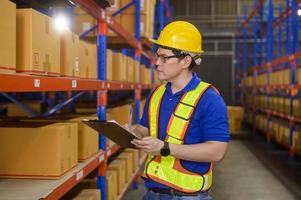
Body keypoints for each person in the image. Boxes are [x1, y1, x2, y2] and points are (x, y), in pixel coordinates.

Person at [131, 21, 230, 200]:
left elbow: (217, 151)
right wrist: (131, 132)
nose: (157, 63)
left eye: (164, 58)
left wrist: (166, 148)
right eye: (157, 56)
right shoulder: (157, 94)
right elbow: (147, 129)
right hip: (152, 193)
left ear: (185, 61)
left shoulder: (209, 99)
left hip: (188, 197)